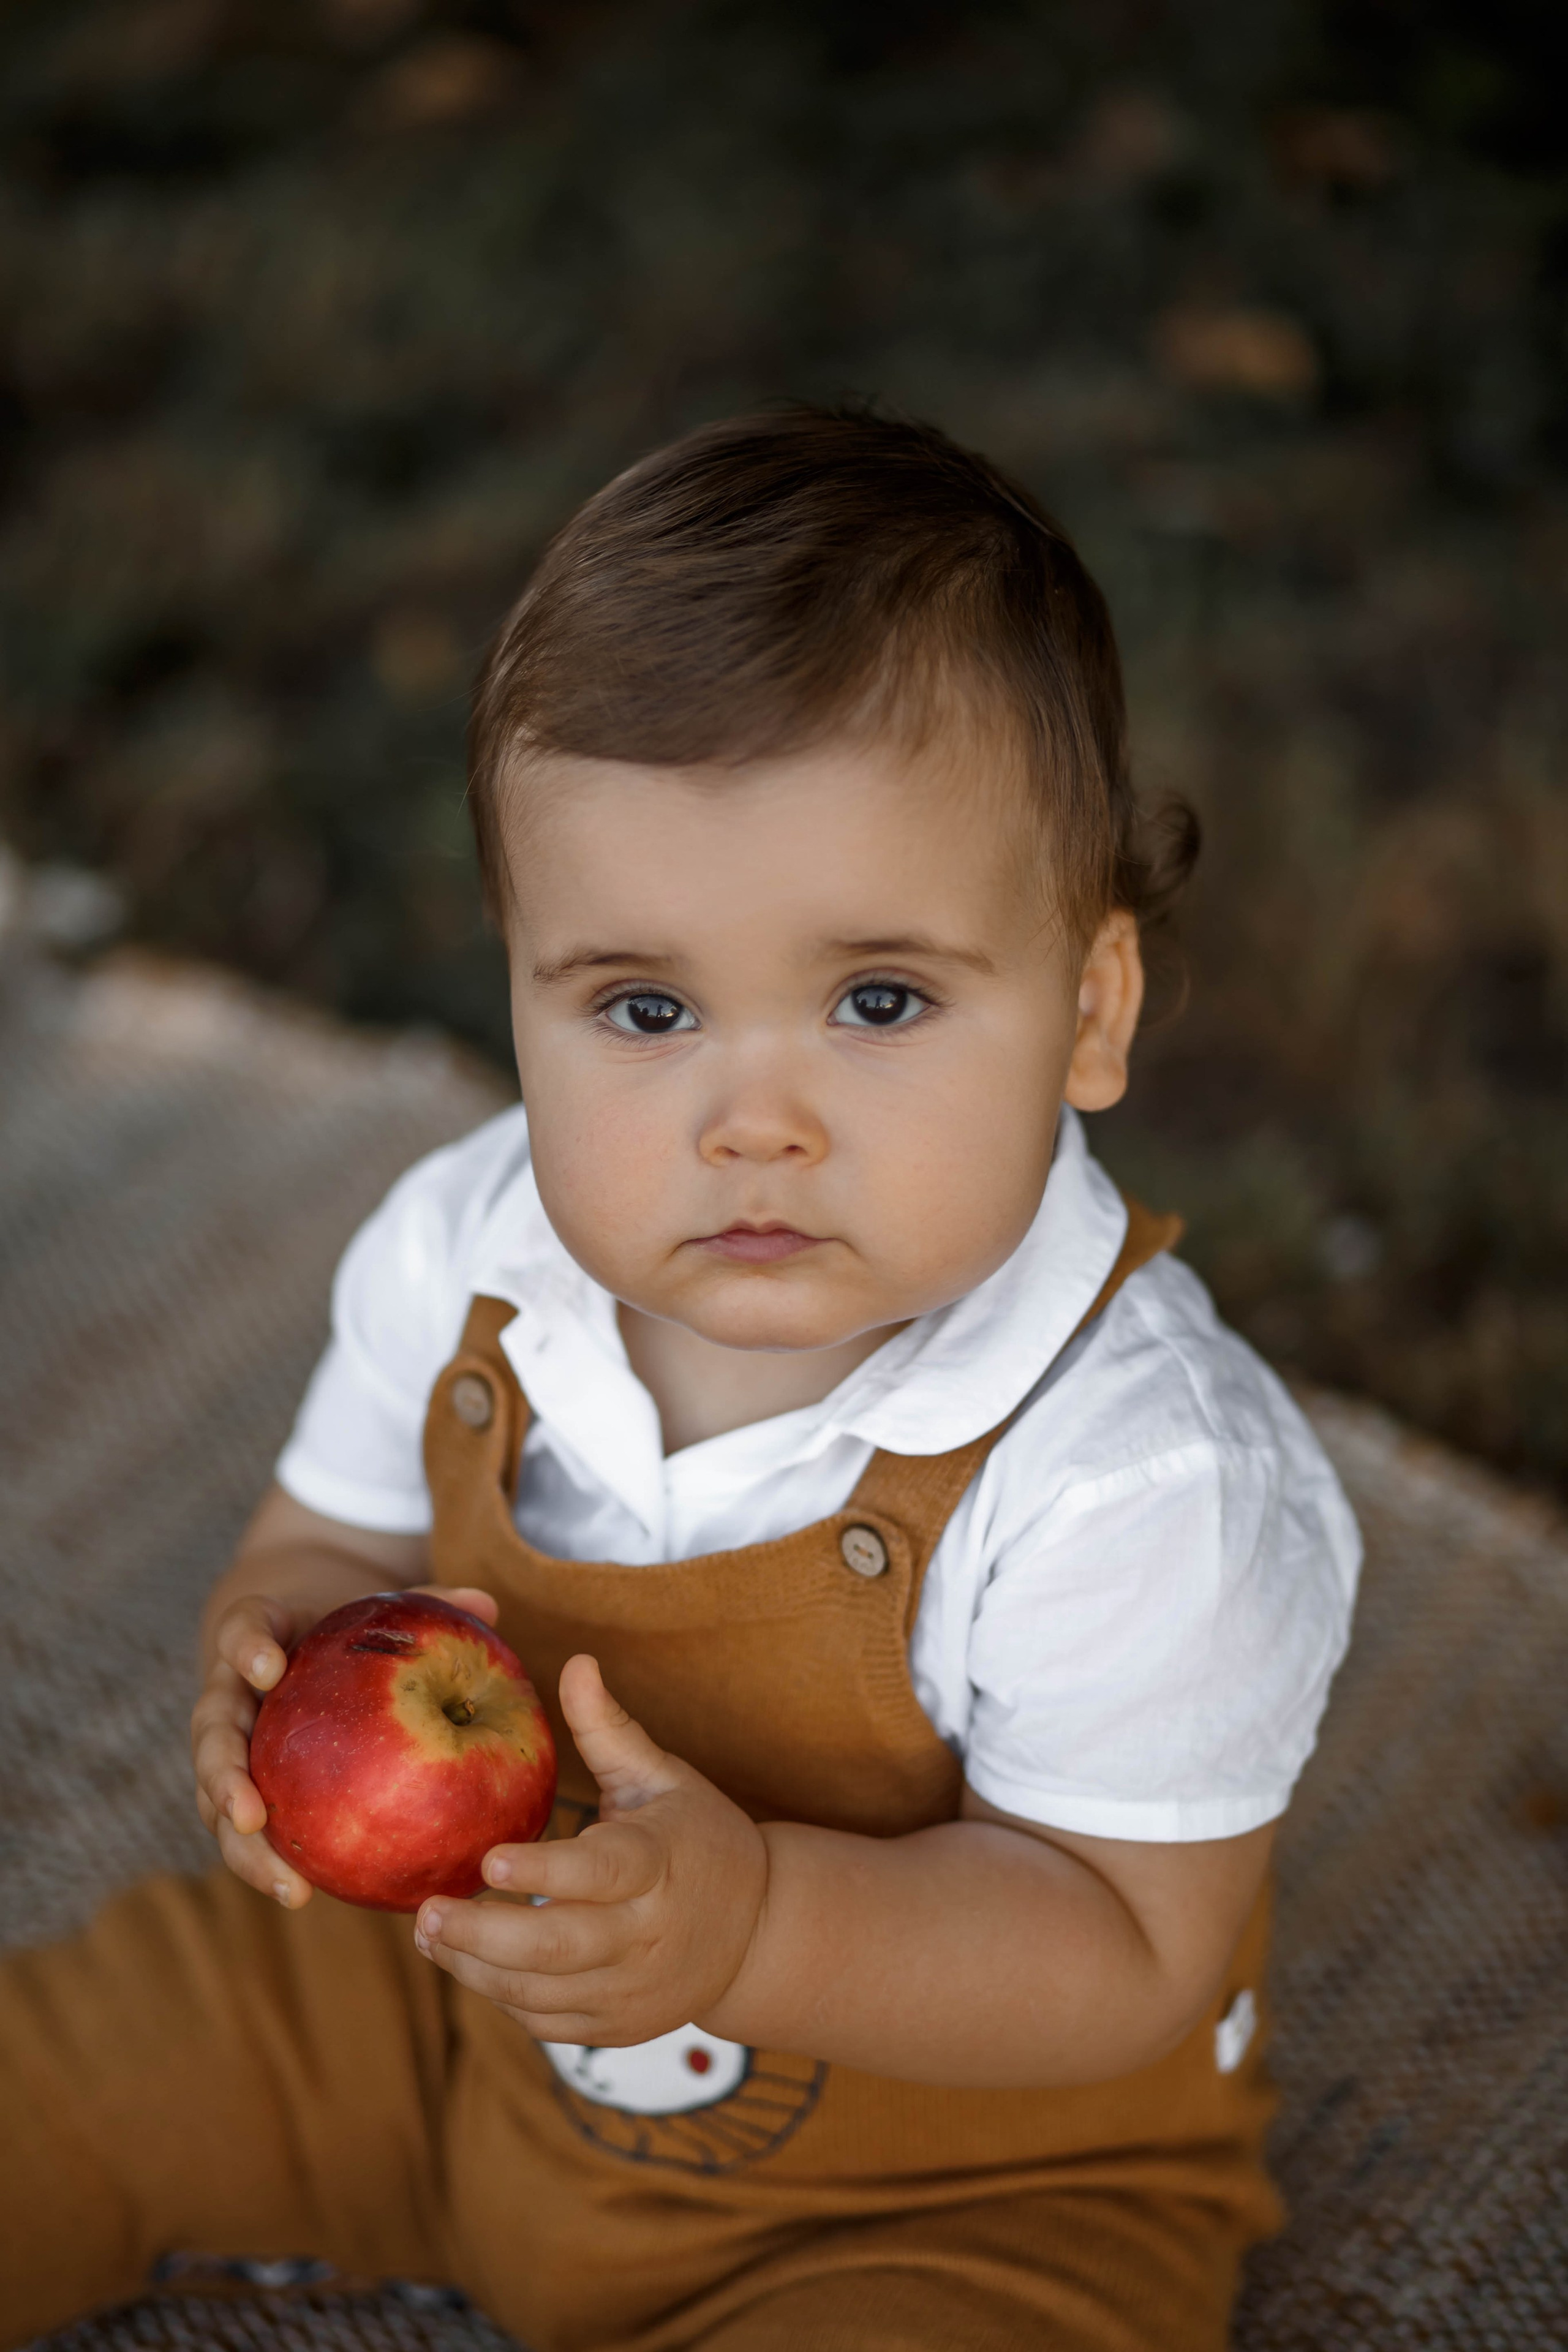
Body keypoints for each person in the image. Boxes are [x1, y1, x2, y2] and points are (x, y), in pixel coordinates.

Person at [0, 407, 1360, 2351]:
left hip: (948, 2185)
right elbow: (330, 1529)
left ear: (1090, 1007)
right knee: (62, 2078)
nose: (754, 1123)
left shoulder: (1141, 1480)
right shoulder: (472, 1248)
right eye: (644, 1009)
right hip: (437, 2013)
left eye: (878, 1001)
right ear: (521, 990)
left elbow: (1126, 1947)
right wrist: (269, 1645)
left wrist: (752, 1932)